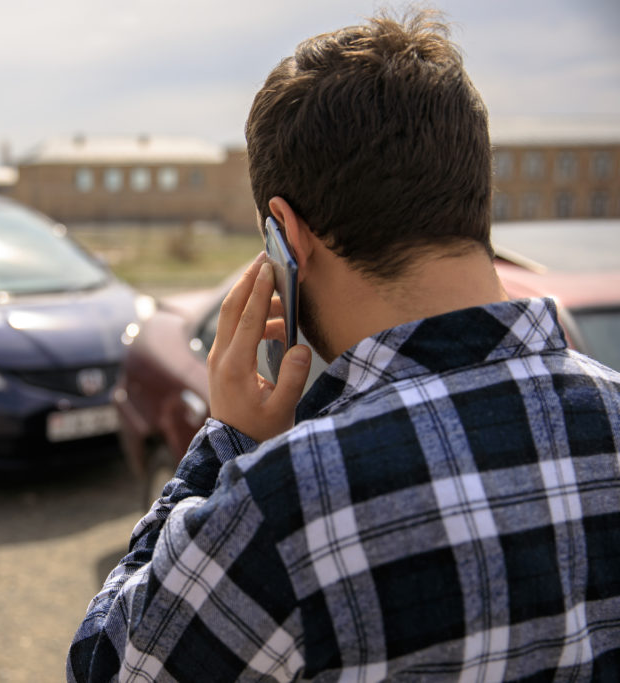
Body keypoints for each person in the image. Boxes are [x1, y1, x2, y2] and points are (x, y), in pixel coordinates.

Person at [68, 10, 620, 682]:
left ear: (287, 237)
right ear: (475, 192)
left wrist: (228, 439)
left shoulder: (286, 501)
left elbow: (108, 666)